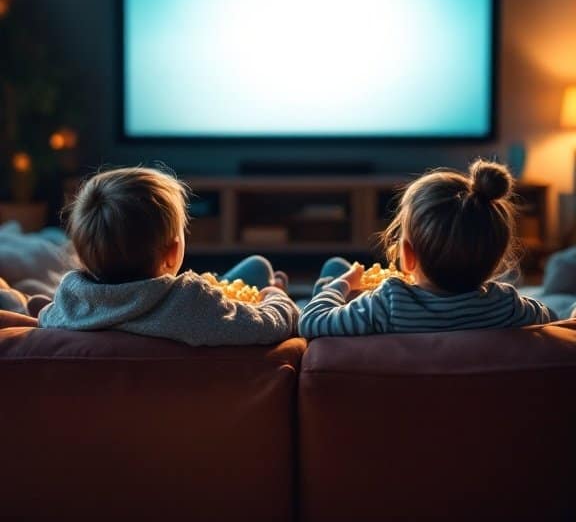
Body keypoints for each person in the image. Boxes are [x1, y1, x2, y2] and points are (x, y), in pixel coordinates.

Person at [38, 166, 300, 346]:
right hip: (203, 305)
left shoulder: (70, 302)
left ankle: (226, 281)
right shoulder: (191, 302)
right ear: (172, 253)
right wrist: (276, 295)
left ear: (83, 257)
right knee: (262, 270)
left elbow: (44, 316)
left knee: (256, 266)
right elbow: (272, 325)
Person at [299, 159, 556, 339]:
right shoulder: (506, 304)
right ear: (497, 258)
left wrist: (341, 285)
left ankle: (332, 279)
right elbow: (554, 320)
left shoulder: (388, 302)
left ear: (409, 257)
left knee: (335, 271)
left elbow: (311, 322)